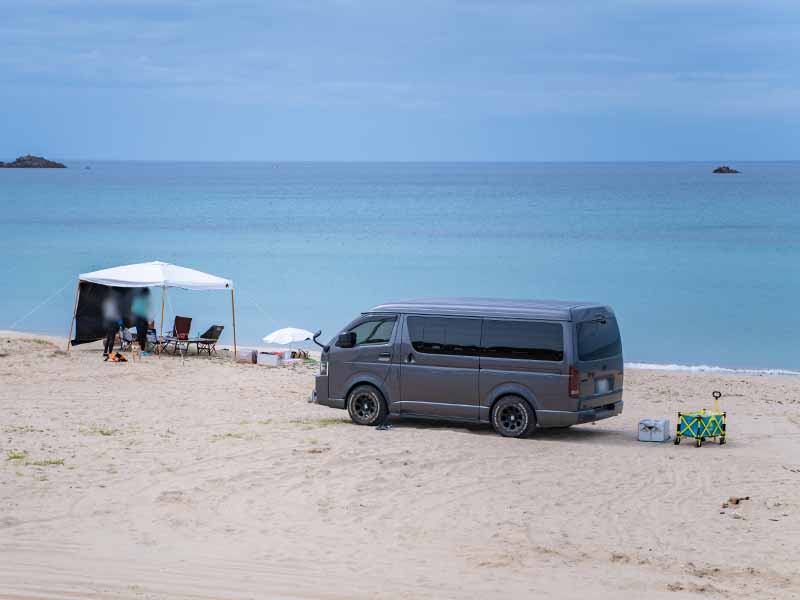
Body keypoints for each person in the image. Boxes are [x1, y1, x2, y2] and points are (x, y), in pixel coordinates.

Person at [130, 288, 152, 356]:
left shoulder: (137, 300)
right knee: (142, 336)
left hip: (138, 321)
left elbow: (133, 310)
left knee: (140, 336)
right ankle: (141, 351)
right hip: (142, 320)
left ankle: (139, 351)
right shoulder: (145, 301)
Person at [101, 290, 121, 361]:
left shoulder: (107, 303)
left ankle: (105, 352)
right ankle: (110, 353)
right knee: (111, 339)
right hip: (112, 323)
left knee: (108, 338)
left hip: (107, 323)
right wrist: (121, 324)